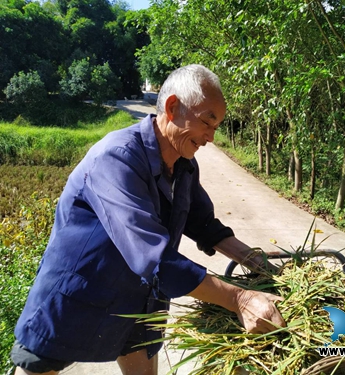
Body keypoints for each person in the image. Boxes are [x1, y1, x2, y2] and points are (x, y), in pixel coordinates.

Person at [11, 64, 286, 375]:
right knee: (38, 368)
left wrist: (257, 263)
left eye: (217, 126)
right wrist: (240, 298)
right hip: (78, 294)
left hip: (138, 301)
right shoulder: (116, 158)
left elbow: (204, 225)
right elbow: (151, 255)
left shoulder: (184, 165)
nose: (211, 137)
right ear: (172, 107)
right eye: (208, 122)